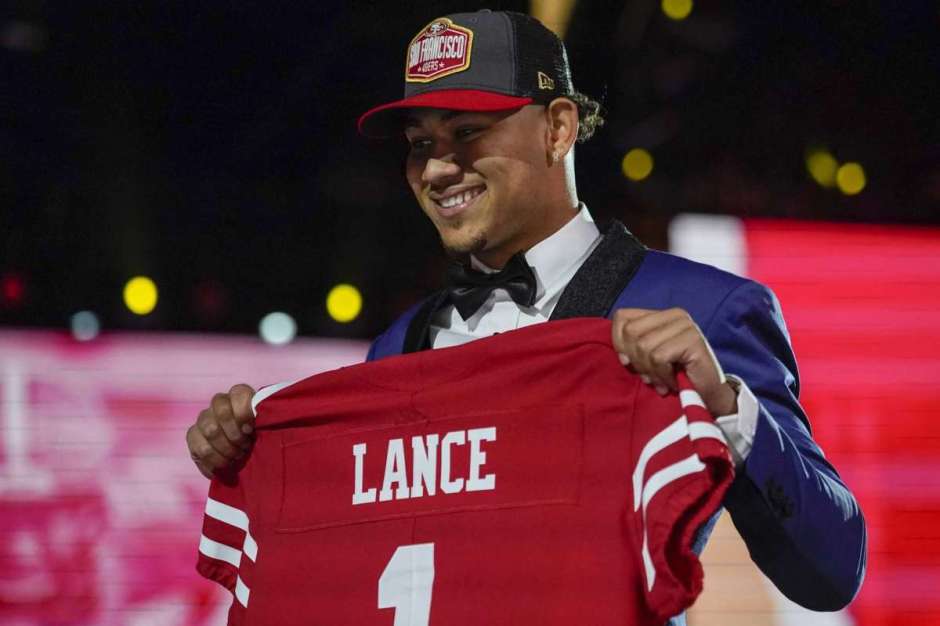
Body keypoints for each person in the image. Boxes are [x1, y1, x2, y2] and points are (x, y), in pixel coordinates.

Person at [186, 9, 866, 624]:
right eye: (420, 144)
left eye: (467, 133)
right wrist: (248, 451)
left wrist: (726, 405)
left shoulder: (706, 311)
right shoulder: (396, 346)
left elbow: (831, 569)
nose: (437, 170)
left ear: (558, 128)